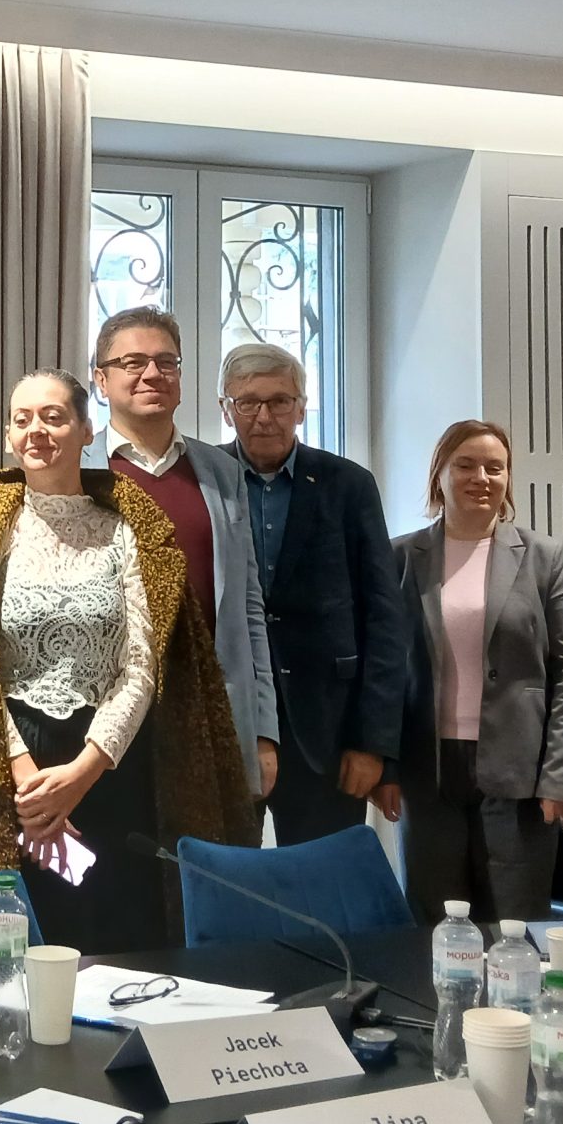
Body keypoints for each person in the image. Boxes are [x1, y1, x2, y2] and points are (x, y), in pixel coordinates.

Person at [0, 370, 256, 953]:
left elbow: (142, 666)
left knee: (120, 938)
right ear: (9, 435)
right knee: (23, 943)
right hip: (9, 767)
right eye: (22, 420)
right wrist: (32, 788)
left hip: (112, 766)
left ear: (87, 430)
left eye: (54, 417)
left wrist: (83, 773)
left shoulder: (129, 529)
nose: (36, 431)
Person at [384, 420, 563, 921]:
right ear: (439, 475)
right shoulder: (401, 557)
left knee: (514, 924)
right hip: (428, 771)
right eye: (466, 466)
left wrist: (561, 777)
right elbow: (383, 671)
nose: (481, 478)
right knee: (436, 924)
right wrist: (384, 767)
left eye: (495, 468)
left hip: (522, 774)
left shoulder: (544, 557)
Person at [214, 342, 410, 845]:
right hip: (228, 724)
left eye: (280, 401)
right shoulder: (204, 480)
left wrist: (373, 743)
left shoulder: (349, 485)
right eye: (247, 402)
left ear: (302, 408)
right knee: (224, 876)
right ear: (226, 409)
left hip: (330, 732)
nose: (264, 416)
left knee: (325, 881)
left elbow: (385, 620)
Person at [85, 307, 277, 805]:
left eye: (166, 362)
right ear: (101, 380)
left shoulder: (221, 472)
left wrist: (263, 729)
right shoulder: (77, 471)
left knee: (210, 851)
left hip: (211, 712)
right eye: (133, 362)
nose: (152, 374)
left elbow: (248, 607)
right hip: (103, 718)